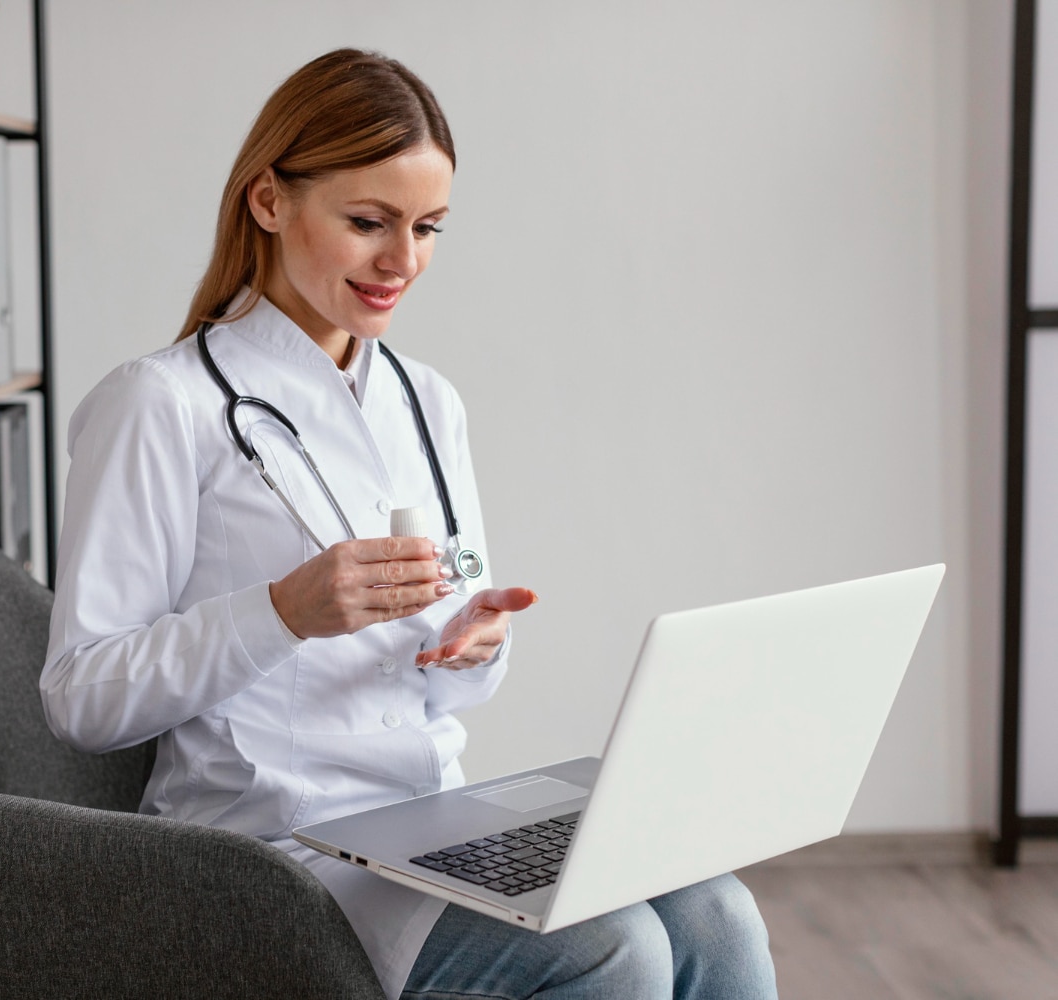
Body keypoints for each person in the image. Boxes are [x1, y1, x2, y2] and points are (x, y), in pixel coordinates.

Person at [41, 47, 777, 1000]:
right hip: (270, 849)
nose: (403, 261)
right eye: (368, 222)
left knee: (717, 913)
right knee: (614, 949)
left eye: (427, 227)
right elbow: (81, 698)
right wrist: (282, 613)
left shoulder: (426, 402)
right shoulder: (161, 404)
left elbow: (448, 666)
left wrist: (472, 642)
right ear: (269, 200)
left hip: (427, 820)